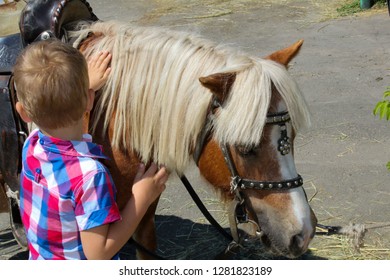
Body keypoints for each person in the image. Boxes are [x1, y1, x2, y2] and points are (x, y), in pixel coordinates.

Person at [13, 39, 168, 260]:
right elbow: (98, 254)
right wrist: (140, 198)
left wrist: (86, 89)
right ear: (90, 100)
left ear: (23, 112)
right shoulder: (91, 177)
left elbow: (64, 126)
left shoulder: (32, 144)